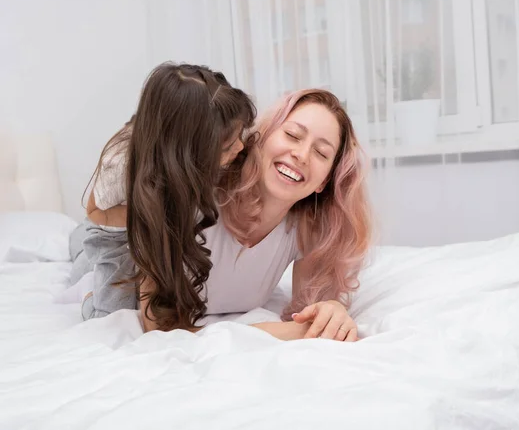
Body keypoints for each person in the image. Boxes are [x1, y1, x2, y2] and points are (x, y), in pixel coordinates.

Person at [141, 88, 373, 341]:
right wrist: (283, 332)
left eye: (321, 153)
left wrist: (333, 310)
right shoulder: (197, 196)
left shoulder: (306, 231)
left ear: (324, 181)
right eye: (292, 135)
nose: (302, 155)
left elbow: (307, 318)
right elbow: (158, 328)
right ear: (262, 137)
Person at [72, 62, 256, 331]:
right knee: (108, 314)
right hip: (115, 228)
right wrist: (155, 216)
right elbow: (96, 212)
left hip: (163, 224)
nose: (239, 147)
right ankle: (85, 271)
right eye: (228, 146)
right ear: (186, 151)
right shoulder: (120, 162)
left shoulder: (214, 134)